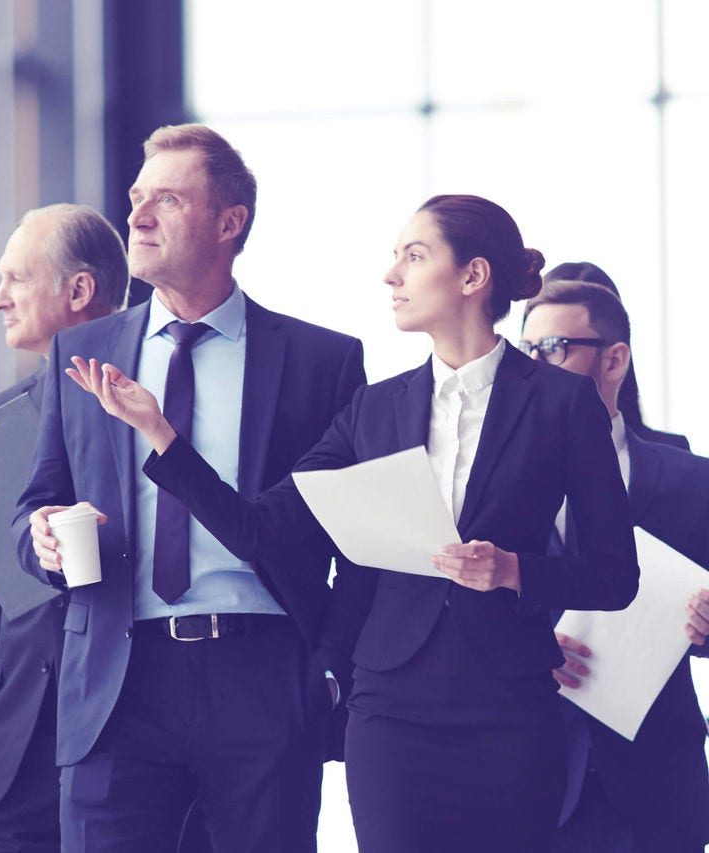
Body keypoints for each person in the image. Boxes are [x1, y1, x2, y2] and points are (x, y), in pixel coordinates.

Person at [67, 194, 640, 853]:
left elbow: (614, 575)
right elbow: (261, 528)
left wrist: (513, 569)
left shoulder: (561, 403)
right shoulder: (373, 410)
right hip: (391, 716)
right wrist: (160, 433)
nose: (391, 274)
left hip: (511, 713)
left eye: (414, 256)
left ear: (473, 276)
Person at [13, 124, 367, 852]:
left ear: (229, 223)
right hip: (115, 678)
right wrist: (40, 535)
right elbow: (34, 501)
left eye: (166, 200)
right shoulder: (81, 353)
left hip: (264, 674)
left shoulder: (319, 360)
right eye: (138, 197)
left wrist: (326, 672)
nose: (136, 216)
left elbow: (355, 542)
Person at [0, 203, 129, 853]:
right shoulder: (0, 414)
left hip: (131, 733)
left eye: (16, 279)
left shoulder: (153, 405)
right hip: (13, 754)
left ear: (78, 290)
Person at [520, 279, 709, 852]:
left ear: (614, 358)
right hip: (529, 779)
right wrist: (523, 645)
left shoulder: (691, 480)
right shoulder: (493, 482)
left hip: (655, 781)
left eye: (551, 346)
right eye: (524, 350)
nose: (534, 364)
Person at [543, 261, 690, 450]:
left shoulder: (673, 458)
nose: (534, 360)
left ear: (614, 359)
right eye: (529, 345)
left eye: (553, 346)